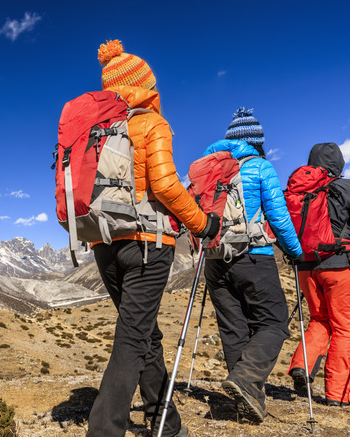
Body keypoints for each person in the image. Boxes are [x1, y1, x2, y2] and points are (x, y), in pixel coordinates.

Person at [86, 40, 219, 437]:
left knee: (144, 332)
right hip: (147, 244)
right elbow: (164, 185)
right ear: (144, 85)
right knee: (133, 337)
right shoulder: (151, 124)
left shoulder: (94, 131)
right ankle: (103, 430)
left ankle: (166, 422)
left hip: (104, 244)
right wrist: (202, 224)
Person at [201, 108, 303, 423]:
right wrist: (295, 252)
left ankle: (250, 401)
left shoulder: (209, 168)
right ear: (256, 142)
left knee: (233, 329)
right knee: (274, 322)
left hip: (215, 260)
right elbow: (279, 218)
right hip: (253, 255)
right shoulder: (259, 166)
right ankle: (246, 380)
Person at [287, 142, 350, 406]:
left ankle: (302, 364)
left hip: (306, 268)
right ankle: (338, 395)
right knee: (345, 328)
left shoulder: (299, 190)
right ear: (338, 164)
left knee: (320, 319)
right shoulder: (345, 187)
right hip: (340, 267)